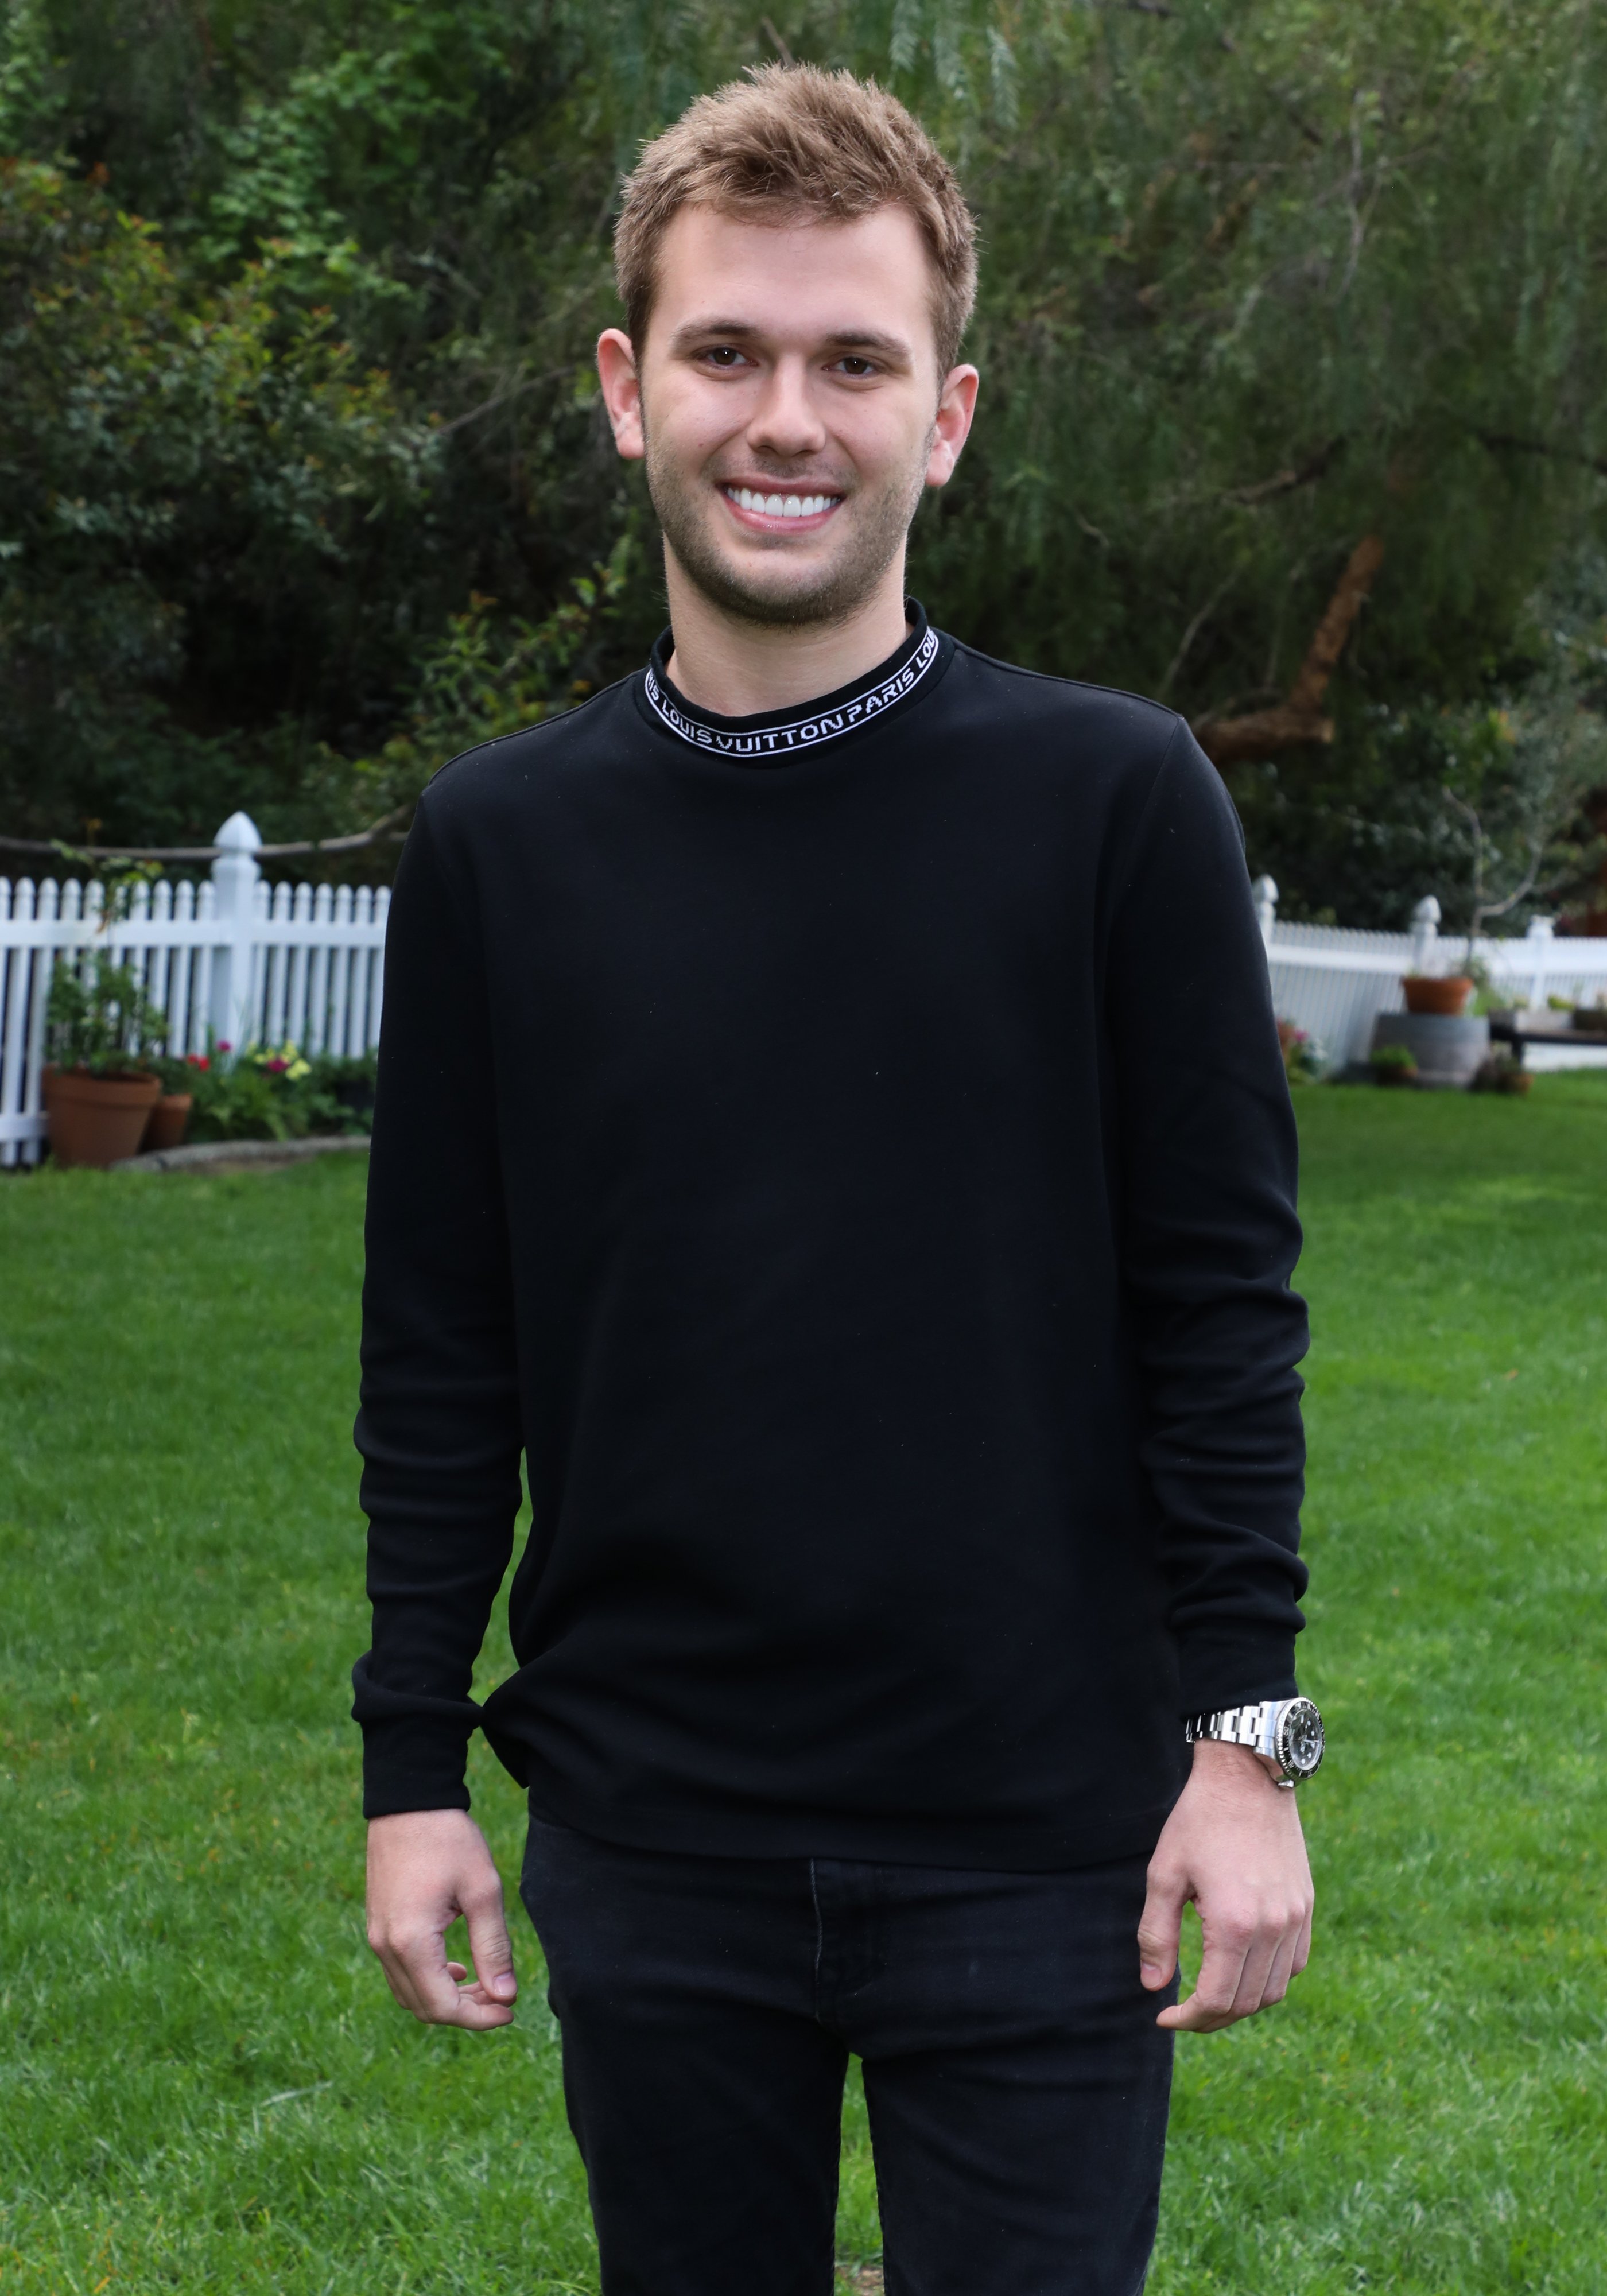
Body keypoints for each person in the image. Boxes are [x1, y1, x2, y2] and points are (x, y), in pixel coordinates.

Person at [354, 62, 1321, 2296]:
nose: (783, 416)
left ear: (945, 412)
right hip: (654, 1829)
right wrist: (415, 1768)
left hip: (1041, 1838)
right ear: (627, 388)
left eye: (851, 361)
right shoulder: (502, 845)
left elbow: (1218, 1307)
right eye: (726, 352)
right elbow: (440, 1344)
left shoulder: (1117, 804)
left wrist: (1244, 1743)